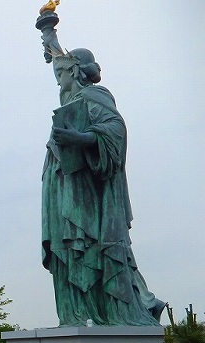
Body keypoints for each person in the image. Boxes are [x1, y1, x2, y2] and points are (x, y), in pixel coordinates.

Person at [36, 13, 164, 326]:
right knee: (68, 249)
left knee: (90, 246)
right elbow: (59, 60)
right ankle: (77, 315)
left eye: (63, 72)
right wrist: (49, 32)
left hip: (87, 190)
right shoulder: (71, 96)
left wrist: (79, 139)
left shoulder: (94, 95)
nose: (57, 77)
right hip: (63, 184)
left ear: (75, 71)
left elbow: (115, 130)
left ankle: (113, 312)